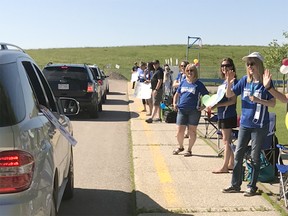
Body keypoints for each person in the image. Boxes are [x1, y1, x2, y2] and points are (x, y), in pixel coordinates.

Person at [222, 52, 276, 196]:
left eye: (252, 63)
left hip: (259, 126)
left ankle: (252, 186)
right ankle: (235, 185)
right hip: (245, 124)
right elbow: (229, 95)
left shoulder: (266, 82)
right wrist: (228, 82)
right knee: (238, 154)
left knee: (255, 156)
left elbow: (273, 102)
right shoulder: (245, 80)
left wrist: (259, 101)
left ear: (259, 64)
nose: (250, 66)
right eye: (248, 64)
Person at [172, 63, 209, 156]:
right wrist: (174, 103)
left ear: (195, 72)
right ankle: (180, 146)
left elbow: (206, 96)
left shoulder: (198, 84)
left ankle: (189, 149)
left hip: (194, 111)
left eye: (191, 70)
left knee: (192, 131)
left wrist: (204, 106)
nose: (189, 72)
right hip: (182, 110)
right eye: (187, 70)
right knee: (180, 130)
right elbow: (177, 94)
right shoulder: (183, 82)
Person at [210, 58, 238, 174]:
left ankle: (225, 166)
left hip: (228, 114)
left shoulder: (233, 81)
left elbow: (233, 100)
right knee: (226, 140)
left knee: (227, 141)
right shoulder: (224, 82)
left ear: (232, 67)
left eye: (227, 65)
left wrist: (218, 104)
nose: (224, 68)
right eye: (222, 66)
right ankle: (231, 163)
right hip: (222, 114)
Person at [172, 60, 189, 138]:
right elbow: (174, 84)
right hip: (179, 95)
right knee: (180, 114)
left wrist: (180, 84)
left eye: (184, 66)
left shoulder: (189, 75)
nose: (183, 68)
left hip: (186, 97)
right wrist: (181, 83)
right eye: (181, 66)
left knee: (187, 115)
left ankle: (187, 132)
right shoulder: (180, 75)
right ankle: (180, 132)